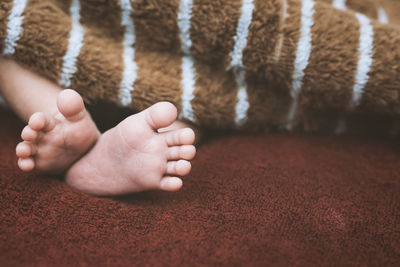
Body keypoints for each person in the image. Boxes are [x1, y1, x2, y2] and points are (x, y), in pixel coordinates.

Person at [0, 58, 197, 195]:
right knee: (194, 96)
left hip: (74, 60)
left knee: (8, 57)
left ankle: (59, 118)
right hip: (166, 75)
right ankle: (157, 135)